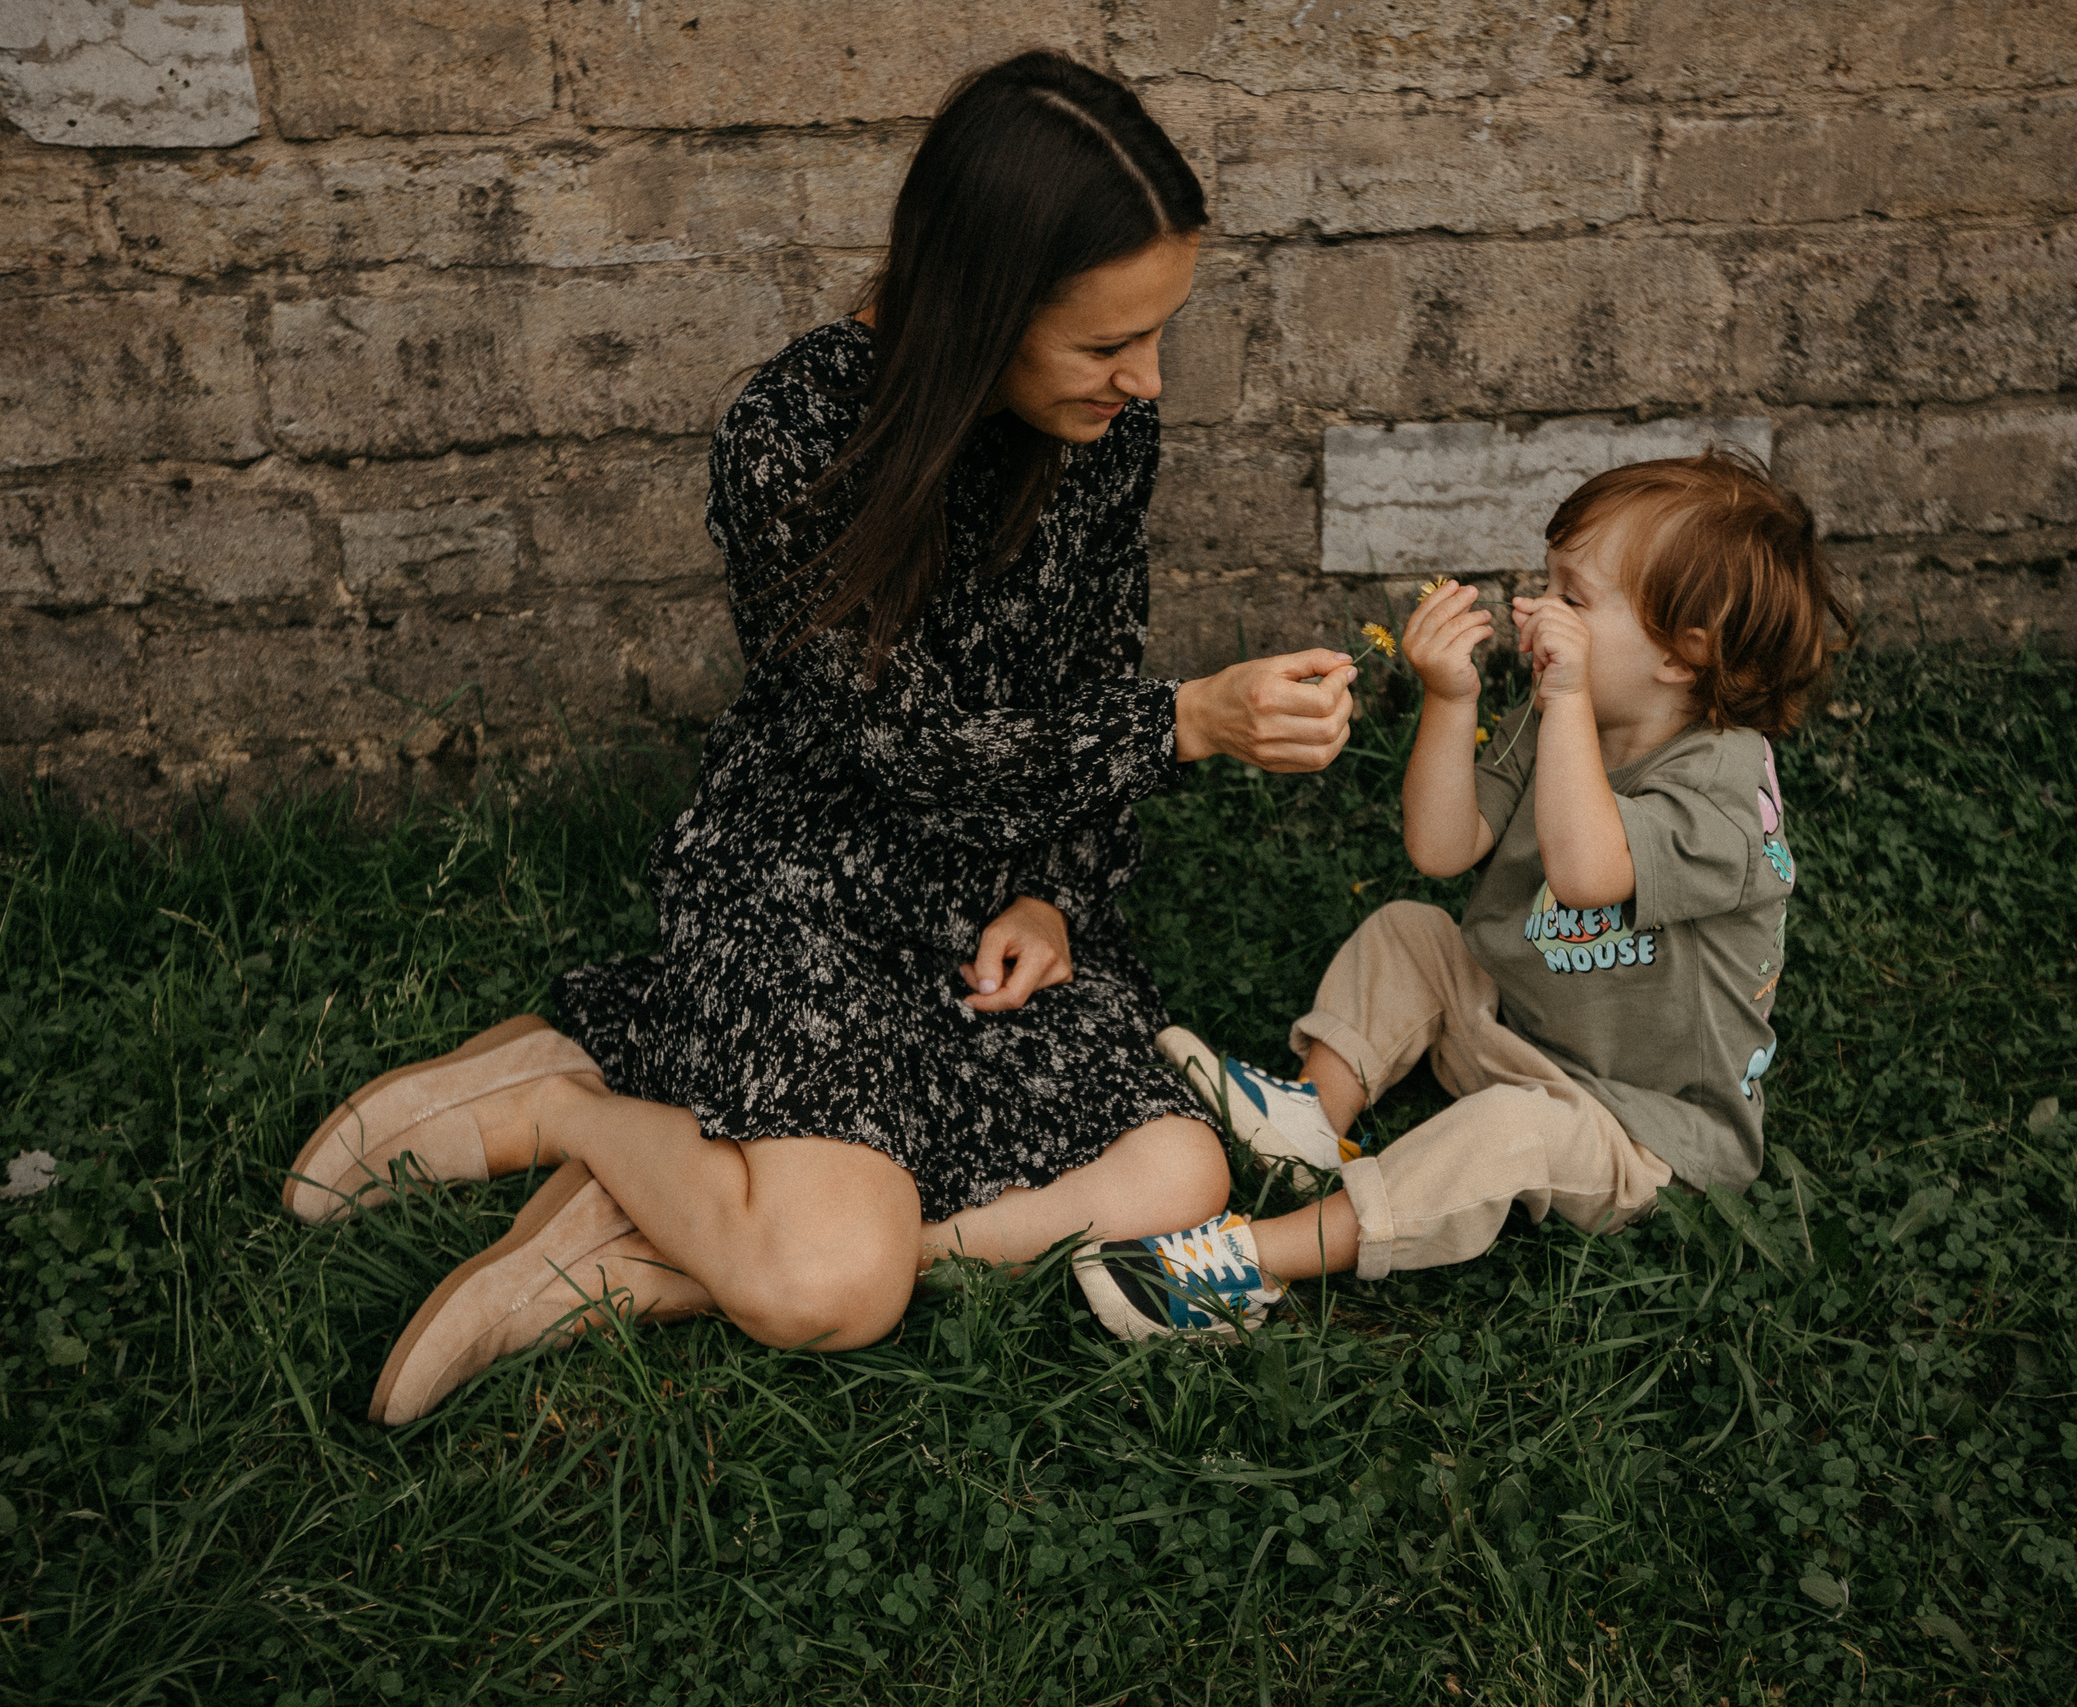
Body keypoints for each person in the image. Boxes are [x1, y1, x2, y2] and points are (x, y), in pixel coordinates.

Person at [281, 51, 1365, 1423]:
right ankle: (572, 1108)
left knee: (1180, 1176)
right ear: (984, 310)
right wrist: (1189, 723)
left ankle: (652, 1239)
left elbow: (1088, 670)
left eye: (1161, 333)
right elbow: (903, 748)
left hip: (979, 904)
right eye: (1106, 344)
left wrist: (1055, 892)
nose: (1146, 380)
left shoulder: (1100, 437)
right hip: (811, 874)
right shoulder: (793, 437)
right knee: (825, 1290)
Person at [1078, 448, 1851, 1337]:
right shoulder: (1570, 714)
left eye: (1574, 597)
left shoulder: (1725, 795)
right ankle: (1310, 1118)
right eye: (1547, 583)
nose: (1537, 610)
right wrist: (1452, 697)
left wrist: (1561, 703)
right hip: (1512, 1027)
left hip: (1640, 1131)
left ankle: (1252, 1261)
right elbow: (1443, 848)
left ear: (1686, 653)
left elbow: (1587, 868)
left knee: (1504, 1131)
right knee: (1412, 928)